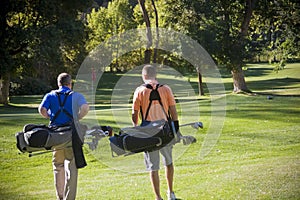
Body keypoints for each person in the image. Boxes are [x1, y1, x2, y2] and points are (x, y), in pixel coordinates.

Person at [38, 73, 89, 200]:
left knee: (58, 166)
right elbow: (85, 107)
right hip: (70, 135)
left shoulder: (50, 95)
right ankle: (69, 198)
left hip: (55, 135)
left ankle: (60, 196)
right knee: (71, 166)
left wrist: (50, 116)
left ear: (58, 83)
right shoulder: (76, 95)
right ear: (70, 84)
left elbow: (42, 109)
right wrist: (78, 117)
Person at [132, 65, 179, 200]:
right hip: (165, 131)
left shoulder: (139, 91)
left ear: (144, 76)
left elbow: (134, 114)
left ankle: (158, 197)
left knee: (153, 166)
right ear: (155, 74)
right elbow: (173, 112)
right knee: (169, 162)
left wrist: (135, 127)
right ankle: (171, 192)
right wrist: (176, 128)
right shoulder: (166, 89)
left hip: (148, 133)